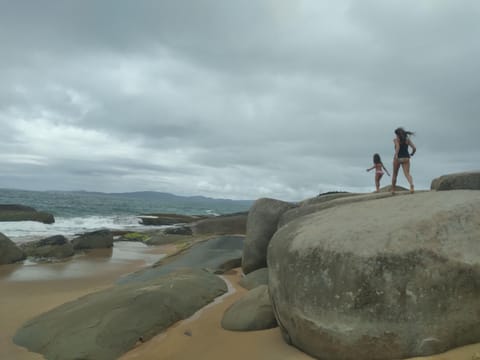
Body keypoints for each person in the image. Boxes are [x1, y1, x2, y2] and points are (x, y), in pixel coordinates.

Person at [391, 127, 416, 194]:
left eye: (396, 134)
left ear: (398, 134)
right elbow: (414, 148)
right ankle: (411, 185)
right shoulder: (407, 140)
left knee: (395, 174)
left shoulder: (396, 140)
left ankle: (393, 190)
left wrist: (396, 155)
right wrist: (412, 153)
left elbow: (398, 147)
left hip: (398, 158)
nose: (395, 135)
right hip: (406, 158)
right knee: (407, 174)